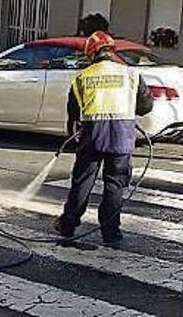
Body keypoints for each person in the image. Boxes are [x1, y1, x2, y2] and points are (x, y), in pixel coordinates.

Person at [54, 31, 154, 246]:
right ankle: (111, 234)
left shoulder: (82, 78)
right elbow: (146, 106)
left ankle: (68, 225)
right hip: (121, 138)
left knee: (82, 182)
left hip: (92, 137)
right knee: (115, 185)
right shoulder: (131, 75)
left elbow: (74, 115)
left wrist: (74, 134)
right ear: (112, 50)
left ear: (91, 53)